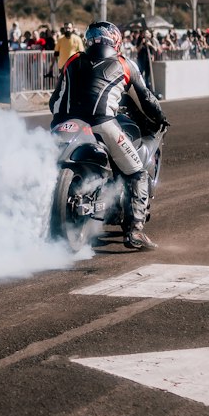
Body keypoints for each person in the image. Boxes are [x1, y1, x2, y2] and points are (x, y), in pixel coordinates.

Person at [50, 20, 168, 251]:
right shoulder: (124, 64)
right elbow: (145, 99)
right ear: (115, 41)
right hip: (102, 124)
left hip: (63, 125)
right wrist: (161, 117)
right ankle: (134, 231)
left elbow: (54, 101)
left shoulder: (72, 60)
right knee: (137, 172)